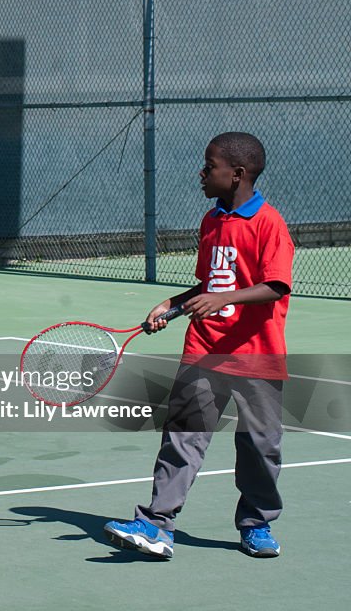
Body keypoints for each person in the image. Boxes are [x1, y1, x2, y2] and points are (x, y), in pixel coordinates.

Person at [103, 132, 293, 559]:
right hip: (204, 351)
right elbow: (211, 284)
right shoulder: (211, 221)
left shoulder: (269, 223)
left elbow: (276, 285)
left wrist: (223, 299)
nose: (202, 173)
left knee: (260, 446)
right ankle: (156, 525)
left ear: (237, 174)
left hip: (256, 355)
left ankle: (257, 523)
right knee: (182, 438)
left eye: (209, 167)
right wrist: (173, 304)